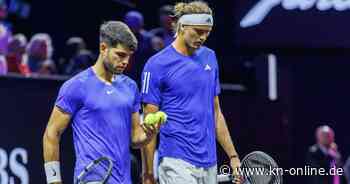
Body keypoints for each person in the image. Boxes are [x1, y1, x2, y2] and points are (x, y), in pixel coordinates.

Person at [43, 21, 164, 184]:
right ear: (103, 48)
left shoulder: (131, 87)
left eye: (128, 56)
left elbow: (135, 139)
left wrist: (149, 134)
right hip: (91, 179)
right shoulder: (76, 86)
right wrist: (53, 180)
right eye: (120, 55)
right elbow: (52, 133)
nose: (125, 62)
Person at [140, 1, 241, 184]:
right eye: (198, 31)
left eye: (207, 32)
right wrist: (147, 173)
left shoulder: (210, 57)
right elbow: (149, 123)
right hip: (175, 159)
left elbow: (216, 113)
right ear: (182, 26)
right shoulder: (156, 65)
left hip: (209, 162)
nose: (203, 37)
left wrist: (233, 156)